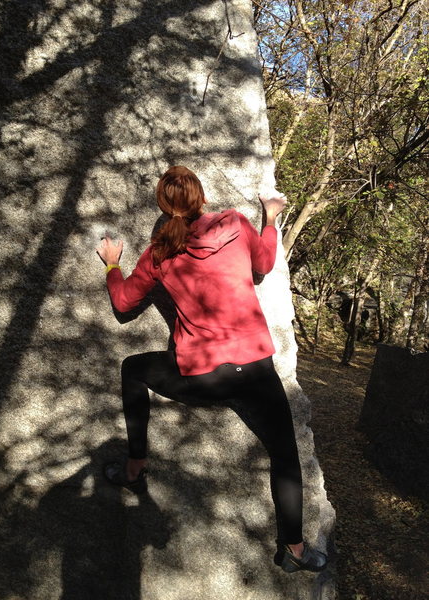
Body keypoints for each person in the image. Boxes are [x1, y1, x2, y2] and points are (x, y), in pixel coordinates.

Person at [96, 165, 327, 573]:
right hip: (255, 369)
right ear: (202, 197)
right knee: (285, 457)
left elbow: (123, 303)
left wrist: (113, 265)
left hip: (202, 376)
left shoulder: (160, 253)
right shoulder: (235, 224)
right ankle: (293, 551)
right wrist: (270, 217)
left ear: (164, 208)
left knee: (134, 369)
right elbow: (265, 263)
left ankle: (135, 468)